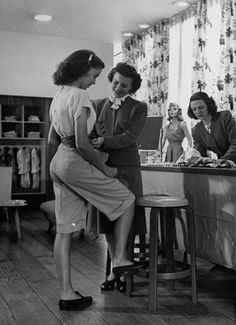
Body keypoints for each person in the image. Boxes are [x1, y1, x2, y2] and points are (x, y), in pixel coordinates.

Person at [48, 50, 142, 311]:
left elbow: (51, 140)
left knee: (64, 230)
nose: (94, 81)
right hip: (74, 160)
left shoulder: (59, 96)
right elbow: (81, 142)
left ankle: (66, 294)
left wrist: (58, 168)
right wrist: (103, 168)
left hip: (58, 162)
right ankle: (121, 258)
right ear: (80, 72)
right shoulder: (79, 95)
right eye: (93, 76)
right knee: (126, 198)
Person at [89, 62, 147, 293]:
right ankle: (117, 267)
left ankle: (119, 272)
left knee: (126, 218)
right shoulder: (98, 104)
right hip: (103, 167)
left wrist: (104, 142)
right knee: (107, 219)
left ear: (132, 87)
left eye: (124, 85)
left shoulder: (138, 107)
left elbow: (130, 137)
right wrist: (95, 142)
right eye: (115, 82)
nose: (118, 88)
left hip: (127, 169)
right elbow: (92, 133)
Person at [187, 91, 236, 163]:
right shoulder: (196, 130)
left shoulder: (225, 117)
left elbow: (235, 143)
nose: (198, 111)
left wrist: (222, 161)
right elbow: (200, 153)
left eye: (201, 107)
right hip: (217, 168)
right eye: (194, 109)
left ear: (208, 105)